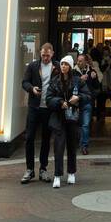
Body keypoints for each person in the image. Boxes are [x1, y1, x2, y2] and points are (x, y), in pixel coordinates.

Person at [45, 55, 88, 188]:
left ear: (70, 67)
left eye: (66, 64)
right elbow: (48, 98)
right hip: (59, 117)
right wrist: (59, 102)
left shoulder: (77, 81)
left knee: (71, 146)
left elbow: (88, 95)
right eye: (62, 64)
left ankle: (71, 173)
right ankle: (57, 175)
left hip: (72, 118)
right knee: (58, 147)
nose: (63, 66)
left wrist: (79, 98)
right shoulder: (54, 81)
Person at [20, 43, 55, 183]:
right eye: (43, 55)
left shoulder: (57, 67)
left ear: (52, 53)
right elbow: (24, 82)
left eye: (47, 55)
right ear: (40, 54)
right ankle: (29, 169)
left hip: (48, 108)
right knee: (29, 137)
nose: (45, 58)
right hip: (34, 107)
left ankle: (43, 169)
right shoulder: (33, 66)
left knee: (46, 139)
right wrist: (32, 89)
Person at [77, 53, 99, 155]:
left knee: (85, 124)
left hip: (87, 102)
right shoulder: (73, 72)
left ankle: (84, 146)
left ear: (86, 62)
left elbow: (97, 86)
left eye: (81, 61)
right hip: (76, 102)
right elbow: (69, 84)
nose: (78, 62)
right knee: (78, 124)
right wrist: (79, 80)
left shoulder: (92, 72)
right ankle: (78, 142)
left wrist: (94, 78)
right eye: (78, 60)